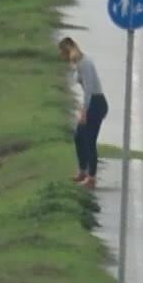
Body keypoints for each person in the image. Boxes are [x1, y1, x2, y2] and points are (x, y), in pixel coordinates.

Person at [59, 37, 108, 189]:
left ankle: (91, 178)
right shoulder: (79, 63)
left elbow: (89, 90)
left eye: (63, 53)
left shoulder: (84, 64)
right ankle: (82, 171)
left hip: (96, 103)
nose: (63, 57)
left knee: (89, 140)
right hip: (91, 103)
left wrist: (84, 111)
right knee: (79, 137)